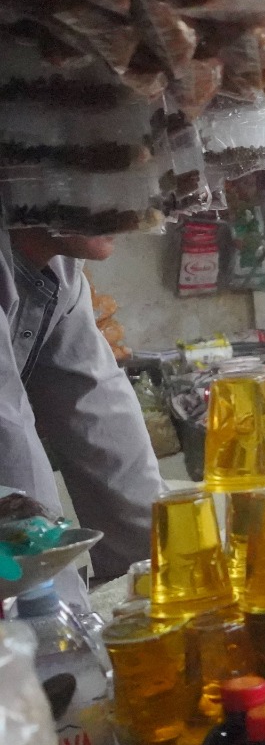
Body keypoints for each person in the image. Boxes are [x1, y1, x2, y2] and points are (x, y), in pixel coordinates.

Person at [1, 227, 162, 579]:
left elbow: (98, 415)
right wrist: (57, 614)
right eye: (109, 173)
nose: (133, 209)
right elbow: (8, 440)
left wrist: (167, 571)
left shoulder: (61, 272)